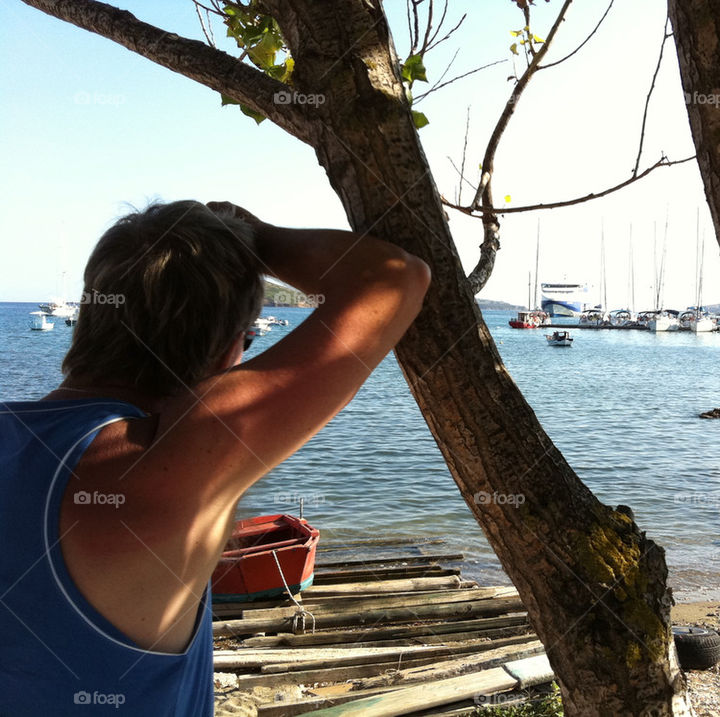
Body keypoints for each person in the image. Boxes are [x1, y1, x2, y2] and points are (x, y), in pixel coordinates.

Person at [0, 200, 430, 715]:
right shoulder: (166, 462)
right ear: (231, 348)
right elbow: (397, 278)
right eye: (248, 339)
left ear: (92, 316)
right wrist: (256, 237)